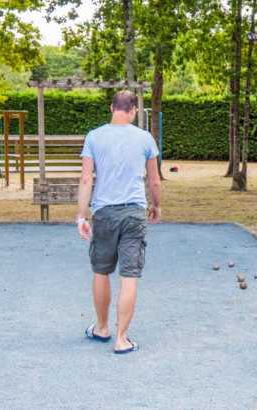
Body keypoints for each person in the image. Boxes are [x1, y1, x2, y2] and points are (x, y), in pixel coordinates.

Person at [76, 90, 161, 355]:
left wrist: (81, 215)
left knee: (101, 270)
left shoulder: (94, 136)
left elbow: (87, 179)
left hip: (104, 213)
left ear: (112, 107)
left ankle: (102, 328)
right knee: (129, 275)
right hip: (134, 212)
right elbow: (154, 180)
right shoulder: (145, 138)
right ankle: (122, 339)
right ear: (134, 110)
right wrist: (156, 205)